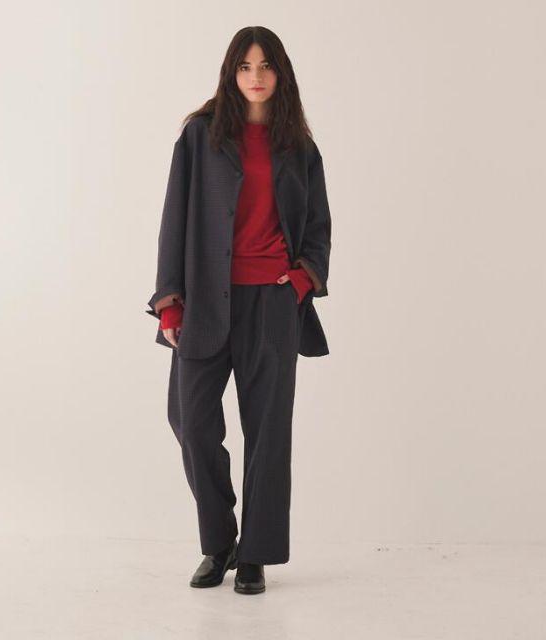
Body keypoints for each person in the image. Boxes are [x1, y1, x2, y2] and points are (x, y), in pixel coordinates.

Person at [146, 26, 332, 595]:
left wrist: (300, 280)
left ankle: (255, 555)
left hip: (271, 304)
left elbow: (319, 226)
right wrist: (170, 304)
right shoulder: (200, 136)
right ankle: (220, 540)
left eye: (266, 66)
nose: (256, 76)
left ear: (281, 73)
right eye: (246, 66)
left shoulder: (298, 146)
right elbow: (174, 219)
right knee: (191, 422)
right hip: (205, 301)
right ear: (231, 72)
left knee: (268, 433)